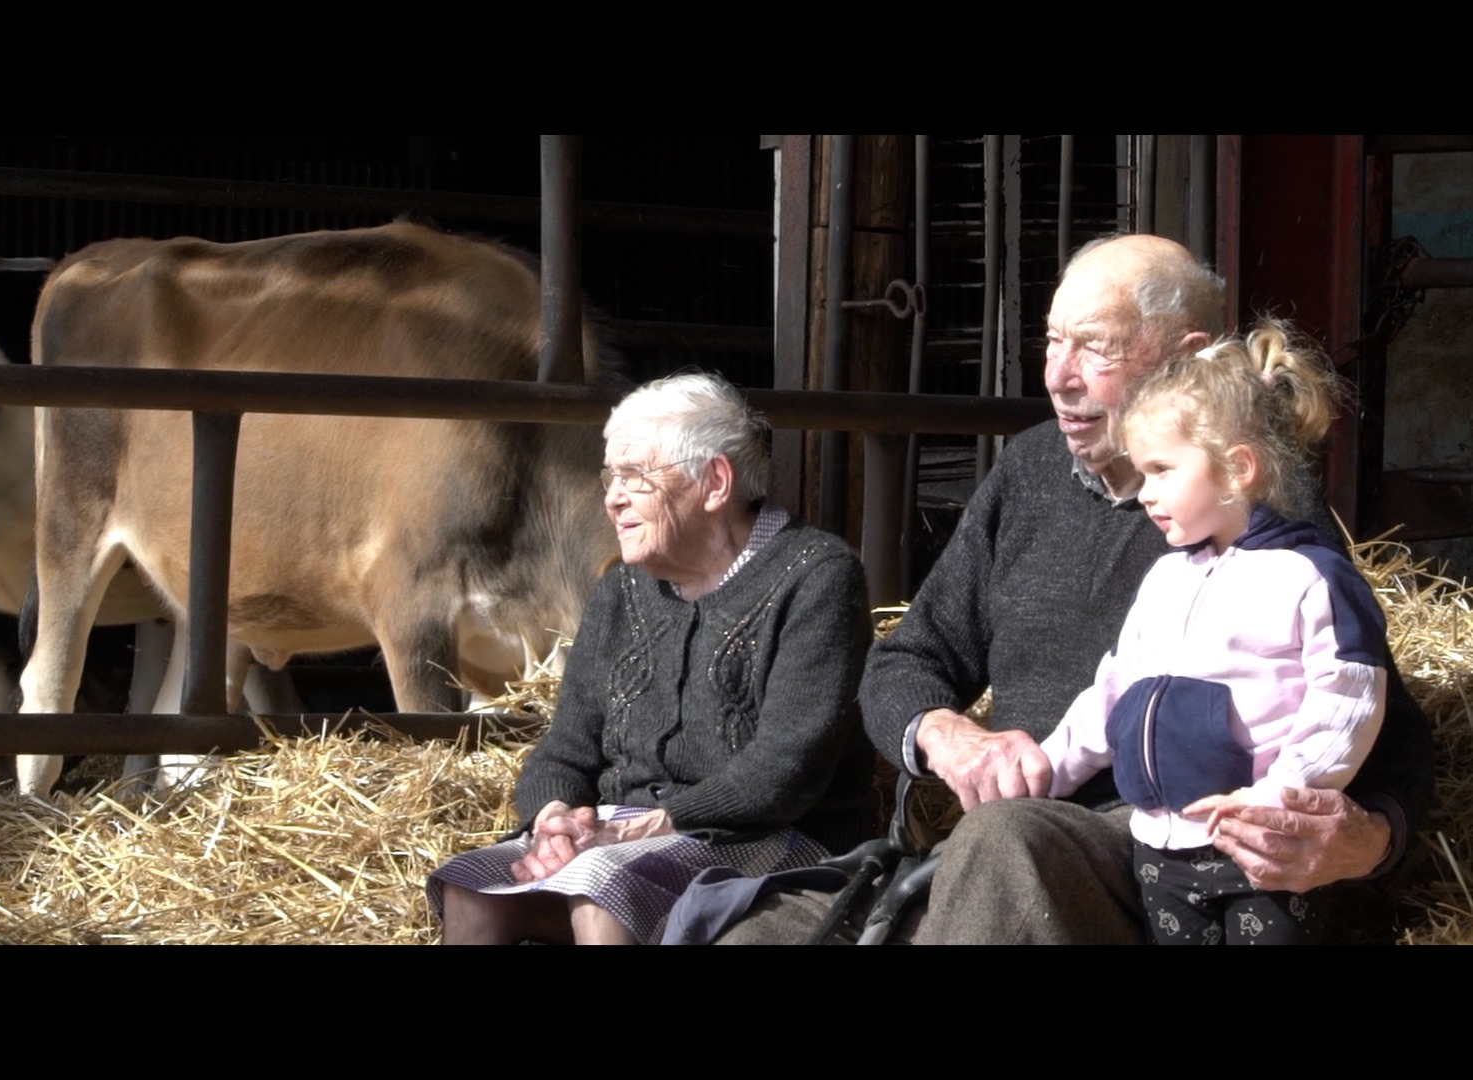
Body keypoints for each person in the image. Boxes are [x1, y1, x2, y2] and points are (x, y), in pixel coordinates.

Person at [718, 232, 1432, 945]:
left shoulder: (1256, 510)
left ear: (1182, 358)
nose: (1059, 375)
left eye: (1096, 347)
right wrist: (949, 736)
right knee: (755, 930)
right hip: (999, 865)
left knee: (1005, 838)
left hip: (1167, 850)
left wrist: (1366, 838)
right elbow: (907, 658)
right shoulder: (1028, 471)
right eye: (1054, 341)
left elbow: (1385, 725)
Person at [430, 372, 874, 944]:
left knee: (600, 884)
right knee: (472, 886)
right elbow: (564, 750)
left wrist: (647, 828)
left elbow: (784, 773)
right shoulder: (621, 591)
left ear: (714, 483)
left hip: (770, 835)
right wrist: (554, 823)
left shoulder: (816, 578)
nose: (613, 497)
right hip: (623, 837)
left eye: (635, 476)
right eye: (610, 476)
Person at [1035, 322, 1388, 944]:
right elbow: (1114, 689)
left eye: (1162, 470)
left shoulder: (1310, 577)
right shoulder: (1166, 577)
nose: (1145, 494)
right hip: (1159, 845)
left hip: (1261, 846)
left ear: (1237, 468)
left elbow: (1347, 699)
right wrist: (1047, 768)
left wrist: (1281, 797)